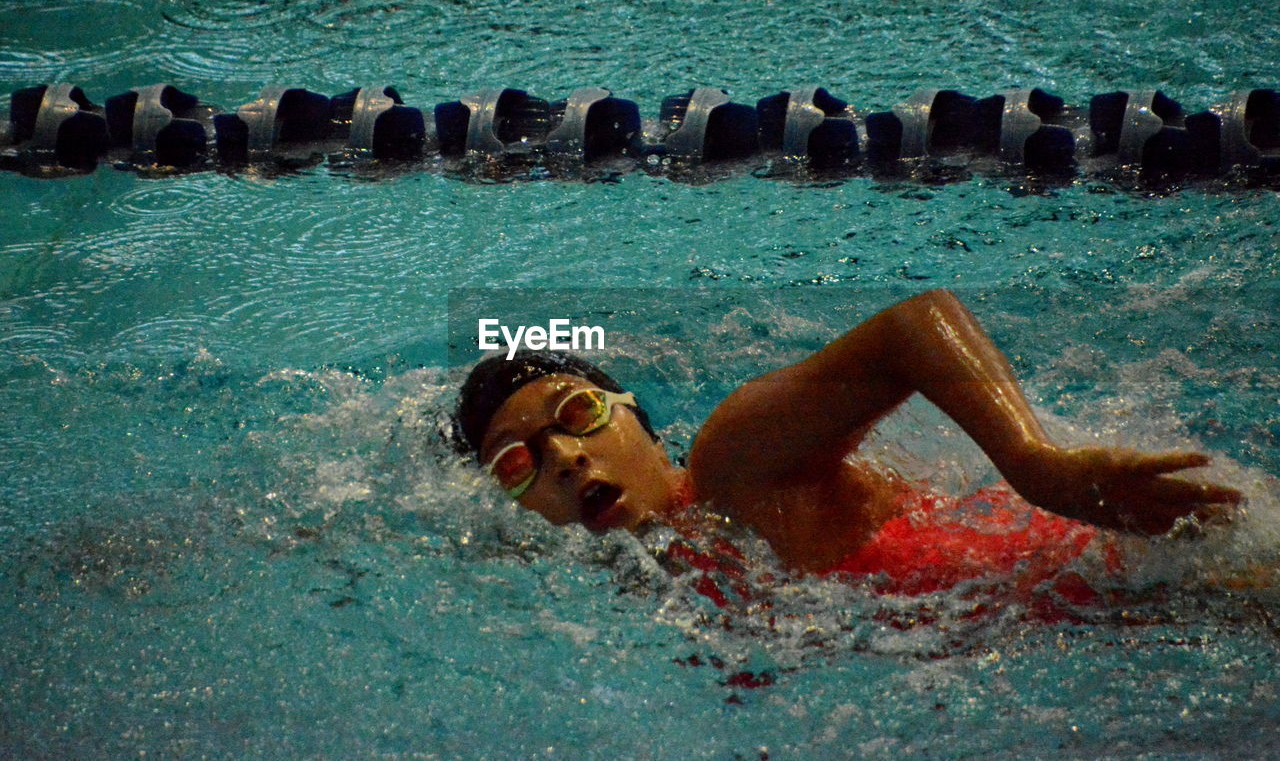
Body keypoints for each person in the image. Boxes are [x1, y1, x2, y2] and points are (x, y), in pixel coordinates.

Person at [453, 290, 1241, 601]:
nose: (563, 457)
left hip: (1145, 559)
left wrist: (1038, 467)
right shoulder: (661, 574)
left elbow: (915, 326)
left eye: (579, 413)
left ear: (638, 420)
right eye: (517, 464)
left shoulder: (734, 466)